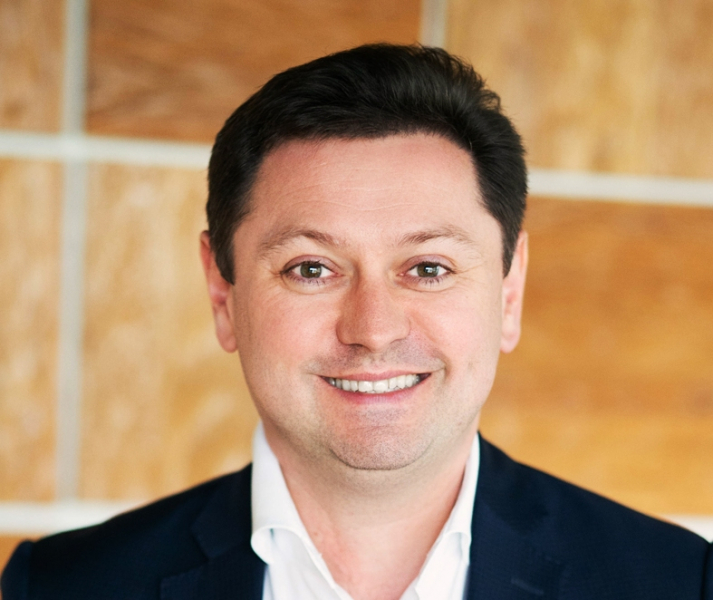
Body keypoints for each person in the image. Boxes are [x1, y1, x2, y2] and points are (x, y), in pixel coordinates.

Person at [2, 43, 711, 600]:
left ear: (508, 290)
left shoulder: (680, 585)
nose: (372, 329)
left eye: (427, 268)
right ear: (223, 293)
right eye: (311, 269)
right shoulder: (61, 588)